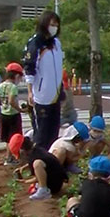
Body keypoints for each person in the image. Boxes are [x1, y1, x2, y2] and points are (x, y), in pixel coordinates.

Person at [23, 10, 64, 150]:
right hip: (41, 96)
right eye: (52, 24)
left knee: (54, 132)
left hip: (55, 95)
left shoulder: (57, 43)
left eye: (57, 25)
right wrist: (30, 92)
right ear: (44, 24)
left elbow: (58, 69)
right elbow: (29, 68)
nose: (54, 28)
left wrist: (62, 90)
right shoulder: (35, 43)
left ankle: (52, 163)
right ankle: (37, 163)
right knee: (42, 134)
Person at [9, 133, 68, 201]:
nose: (20, 158)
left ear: (22, 150)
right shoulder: (36, 149)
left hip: (55, 185)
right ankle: (42, 188)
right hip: (58, 179)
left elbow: (38, 178)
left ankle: (43, 190)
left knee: (37, 164)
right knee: (38, 164)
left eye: (19, 155)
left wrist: (25, 181)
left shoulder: (34, 158)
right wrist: (23, 168)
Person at [0, 62, 25, 164]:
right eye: (20, 77)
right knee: (15, 137)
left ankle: (8, 156)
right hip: (13, 115)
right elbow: (12, 101)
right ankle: (12, 157)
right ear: (16, 76)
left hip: (4, 114)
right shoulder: (13, 87)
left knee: (7, 138)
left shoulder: (1, 85)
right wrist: (20, 109)